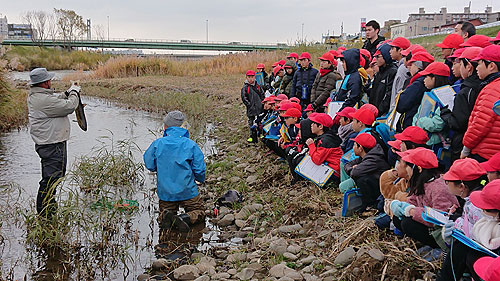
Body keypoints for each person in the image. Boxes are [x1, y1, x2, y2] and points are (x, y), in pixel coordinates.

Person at [27, 68, 80, 218]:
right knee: (51, 179)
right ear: (44, 83)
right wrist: (75, 92)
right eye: (49, 80)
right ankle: (45, 214)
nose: (51, 82)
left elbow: (56, 100)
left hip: (50, 143)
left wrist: (67, 92)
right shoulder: (42, 100)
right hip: (51, 144)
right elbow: (69, 106)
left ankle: (48, 210)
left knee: (53, 178)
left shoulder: (38, 96)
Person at [144, 111, 206, 233]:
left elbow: (149, 165)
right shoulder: (191, 145)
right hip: (188, 190)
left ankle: (167, 223)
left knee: (166, 214)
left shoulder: (158, 144)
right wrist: (200, 179)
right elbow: (199, 170)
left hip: (166, 191)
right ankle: (185, 218)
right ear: (183, 127)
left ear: (166, 127)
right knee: (199, 212)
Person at [389, 148, 459, 249]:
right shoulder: (422, 182)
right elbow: (413, 200)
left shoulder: (438, 187)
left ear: (419, 168)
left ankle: (437, 247)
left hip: (441, 231)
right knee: (398, 218)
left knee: (407, 224)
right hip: (427, 221)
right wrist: (402, 206)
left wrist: (412, 211)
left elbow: (440, 218)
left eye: (408, 165)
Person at [436, 158, 487, 281]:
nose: (446, 183)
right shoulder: (475, 197)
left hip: (484, 251)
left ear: (462, 186)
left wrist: (458, 223)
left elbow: (478, 233)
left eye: (448, 181)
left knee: (459, 246)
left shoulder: (476, 205)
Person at [440, 47, 483, 162]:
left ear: (468, 66)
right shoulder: (484, 86)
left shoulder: (466, 91)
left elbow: (458, 123)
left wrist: (445, 113)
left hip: (463, 143)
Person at [461, 45, 500, 161]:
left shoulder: (492, 89)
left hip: (486, 152)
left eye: (479, 63)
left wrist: (466, 148)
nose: (476, 68)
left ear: (491, 66)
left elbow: (480, 123)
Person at [344, 133, 390, 210]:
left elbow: (354, 173)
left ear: (360, 148)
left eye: (354, 145)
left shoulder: (373, 159)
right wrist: (353, 168)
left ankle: (372, 206)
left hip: (380, 189)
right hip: (375, 185)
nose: (353, 148)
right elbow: (348, 164)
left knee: (361, 179)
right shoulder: (365, 156)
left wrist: (354, 169)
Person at [412, 62, 450, 150]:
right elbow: (418, 113)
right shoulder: (429, 95)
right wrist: (415, 124)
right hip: (423, 138)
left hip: (434, 143)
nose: (424, 80)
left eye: (426, 77)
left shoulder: (445, 97)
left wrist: (420, 122)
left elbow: (438, 124)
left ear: (434, 78)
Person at [396, 51, 434, 131]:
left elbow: (401, 104)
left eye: (411, 64)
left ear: (418, 66)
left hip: (410, 125)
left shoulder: (418, 84)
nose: (408, 67)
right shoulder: (420, 81)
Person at [306, 113, 343, 179]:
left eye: (314, 123)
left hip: (333, 172)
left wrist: (311, 146)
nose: (311, 125)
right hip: (332, 167)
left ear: (320, 126)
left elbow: (317, 160)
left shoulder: (326, 140)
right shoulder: (328, 136)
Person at [369, 43, 398, 117]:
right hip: (375, 111)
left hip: (382, 114)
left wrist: (378, 112)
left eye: (378, 57)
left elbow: (388, 95)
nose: (376, 59)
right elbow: (374, 91)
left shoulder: (392, 72)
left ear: (386, 56)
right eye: (375, 57)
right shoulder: (379, 72)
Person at [388, 37, 412, 113]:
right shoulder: (400, 66)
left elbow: (399, 93)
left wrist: (392, 111)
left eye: (392, 48)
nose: (390, 51)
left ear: (400, 50)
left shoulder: (403, 69)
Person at [241, 70, 264, 143]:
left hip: (259, 108)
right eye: (249, 77)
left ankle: (260, 134)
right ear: (246, 78)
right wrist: (249, 105)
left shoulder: (258, 86)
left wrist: (262, 104)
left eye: (252, 77)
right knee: (251, 122)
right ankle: (252, 136)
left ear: (255, 77)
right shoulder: (245, 87)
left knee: (259, 121)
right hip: (251, 109)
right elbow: (244, 98)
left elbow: (262, 95)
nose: (251, 79)